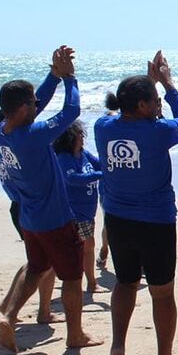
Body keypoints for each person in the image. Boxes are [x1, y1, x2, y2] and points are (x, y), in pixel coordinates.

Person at [0, 45, 100, 353]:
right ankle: (76, 334)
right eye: (33, 103)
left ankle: (9, 316)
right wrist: (70, 79)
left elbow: (33, 106)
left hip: (29, 218)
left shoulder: (5, 130)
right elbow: (71, 112)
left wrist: (53, 76)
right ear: (25, 109)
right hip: (54, 218)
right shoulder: (33, 135)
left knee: (36, 266)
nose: (37, 105)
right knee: (71, 277)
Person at [95, 51, 178, 355]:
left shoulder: (103, 127)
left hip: (118, 220)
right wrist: (168, 84)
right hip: (155, 222)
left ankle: (118, 345)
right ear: (142, 106)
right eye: (153, 100)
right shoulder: (158, 132)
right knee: (162, 292)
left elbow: (126, 108)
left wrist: (148, 84)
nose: (157, 105)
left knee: (125, 282)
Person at [0, 109, 56, 324]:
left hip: (20, 207)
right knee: (42, 264)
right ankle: (30, 310)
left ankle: (19, 305)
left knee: (39, 262)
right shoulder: (20, 151)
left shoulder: (4, 153)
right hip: (30, 207)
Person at [53, 121, 105, 294]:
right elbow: (73, 178)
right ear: (70, 138)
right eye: (80, 135)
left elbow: (100, 164)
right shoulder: (64, 158)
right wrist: (100, 175)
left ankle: (89, 282)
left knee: (86, 246)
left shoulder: (83, 154)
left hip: (88, 211)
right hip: (74, 213)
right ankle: (90, 283)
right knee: (86, 245)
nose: (83, 138)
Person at [96, 94, 119, 269]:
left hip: (108, 179)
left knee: (109, 221)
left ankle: (105, 248)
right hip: (112, 181)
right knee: (112, 222)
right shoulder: (115, 121)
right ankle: (105, 248)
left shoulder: (102, 124)